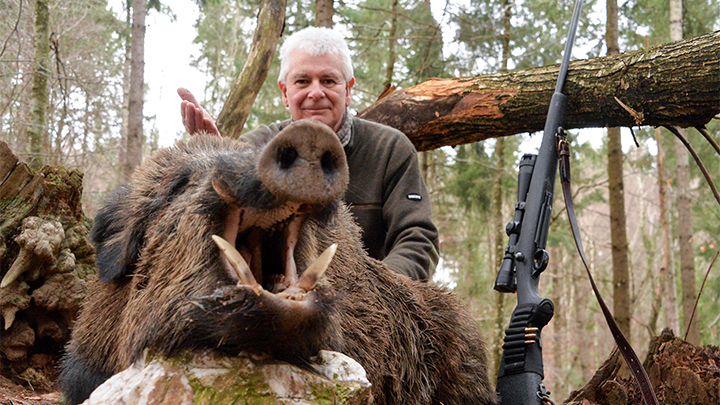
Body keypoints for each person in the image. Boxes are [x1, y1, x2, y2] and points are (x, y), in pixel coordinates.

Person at [179, 27, 439, 281]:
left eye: (328, 80)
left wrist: (379, 295)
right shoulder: (257, 147)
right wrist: (214, 159)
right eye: (302, 81)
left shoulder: (391, 149)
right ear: (285, 92)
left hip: (367, 309)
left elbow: (417, 238)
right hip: (274, 296)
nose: (315, 93)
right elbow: (219, 222)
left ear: (347, 91)